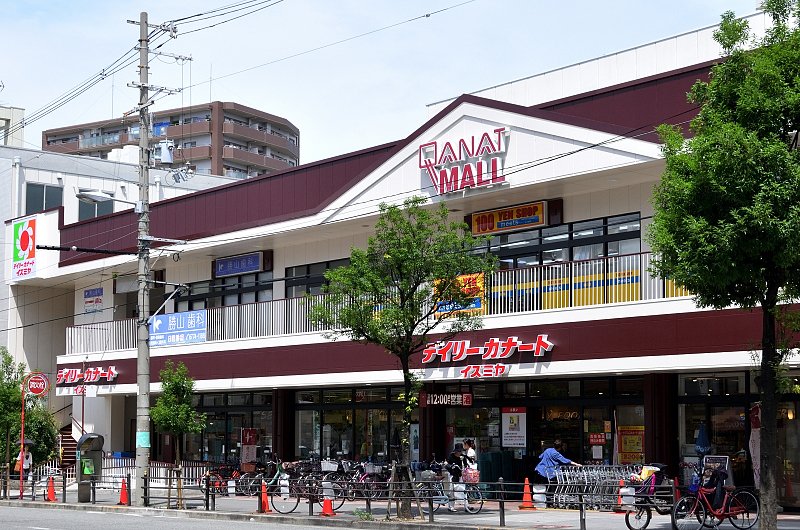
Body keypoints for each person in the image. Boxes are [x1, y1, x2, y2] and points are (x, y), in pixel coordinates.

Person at [446, 443, 467, 512]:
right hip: (453, 474)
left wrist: (466, 466)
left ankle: (466, 506)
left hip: (460, 475)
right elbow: (447, 464)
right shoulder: (451, 456)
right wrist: (451, 466)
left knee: (463, 490)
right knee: (452, 491)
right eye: (459, 451)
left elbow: (466, 464)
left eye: (461, 451)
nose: (460, 453)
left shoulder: (462, 457)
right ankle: (451, 506)